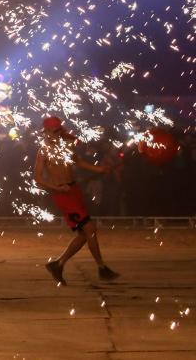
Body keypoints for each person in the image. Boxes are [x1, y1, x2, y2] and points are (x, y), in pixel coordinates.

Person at [34, 116, 119, 285]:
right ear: (47, 132)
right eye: (56, 131)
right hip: (63, 195)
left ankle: (58, 264)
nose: (59, 133)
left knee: (84, 234)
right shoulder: (43, 150)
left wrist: (99, 168)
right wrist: (57, 188)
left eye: (60, 130)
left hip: (74, 191)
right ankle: (102, 268)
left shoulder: (65, 144)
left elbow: (77, 161)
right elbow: (37, 178)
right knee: (90, 229)